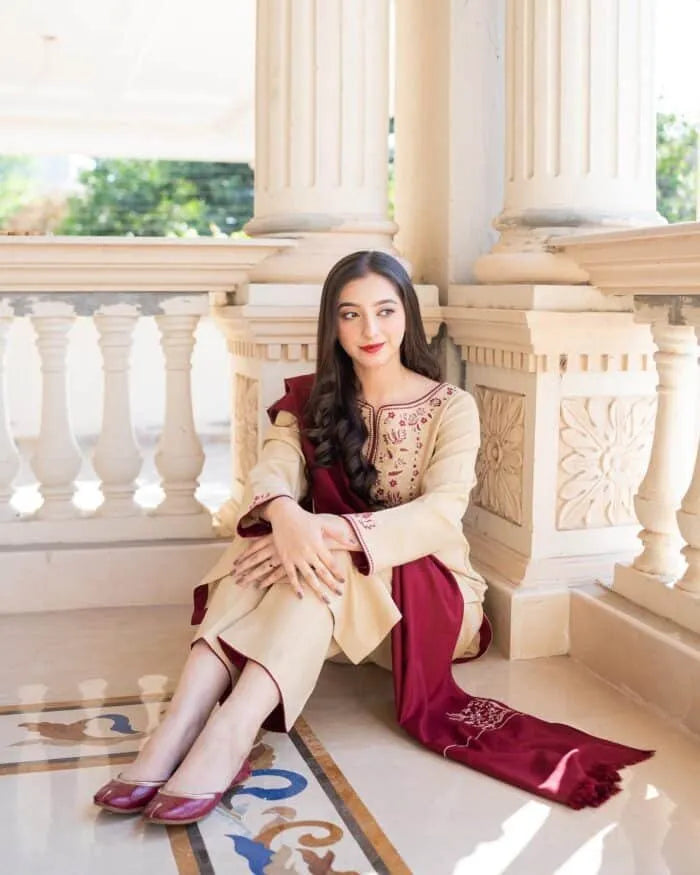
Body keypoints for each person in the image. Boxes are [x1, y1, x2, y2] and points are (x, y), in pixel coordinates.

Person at [94, 250, 651, 822]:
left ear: (407, 314)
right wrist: (287, 517)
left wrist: (327, 530)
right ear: (332, 325)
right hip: (339, 612)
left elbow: (440, 514)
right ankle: (180, 723)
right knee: (261, 546)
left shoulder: (451, 408)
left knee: (319, 557)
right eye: (351, 314)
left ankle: (232, 732)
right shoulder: (311, 401)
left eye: (384, 310)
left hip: (433, 605)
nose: (370, 329)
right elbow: (273, 470)